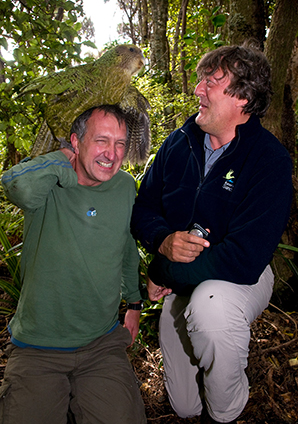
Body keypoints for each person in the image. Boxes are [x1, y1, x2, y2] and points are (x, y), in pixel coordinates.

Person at [131, 44, 293, 424]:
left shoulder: (268, 159)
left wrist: (162, 272)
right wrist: (162, 241)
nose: (198, 90)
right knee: (185, 406)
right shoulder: (178, 143)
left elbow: (245, 259)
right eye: (200, 79)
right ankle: (202, 400)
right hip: (183, 284)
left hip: (240, 280)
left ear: (244, 97)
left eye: (211, 82)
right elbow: (143, 210)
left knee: (211, 306)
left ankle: (227, 410)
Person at [0, 104, 146, 424]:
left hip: (101, 344)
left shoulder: (123, 187)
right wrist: (60, 159)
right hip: (38, 347)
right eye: (101, 141)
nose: (112, 153)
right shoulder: (49, 182)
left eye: (120, 143)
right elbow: (16, 186)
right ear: (76, 142)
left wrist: (134, 302)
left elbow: (126, 246)